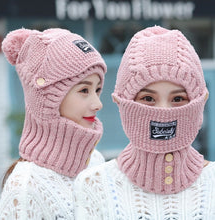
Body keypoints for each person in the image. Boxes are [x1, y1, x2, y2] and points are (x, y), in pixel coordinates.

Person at [74, 26, 215, 219]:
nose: (163, 112)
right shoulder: (93, 186)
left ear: (200, 102)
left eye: (178, 99)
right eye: (148, 99)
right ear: (121, 102)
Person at [0, 28, 106, 219]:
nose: (98, 104)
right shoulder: (25, 188)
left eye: (97, 90)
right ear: (47, 98)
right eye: (84, 90)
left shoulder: (95, 161)